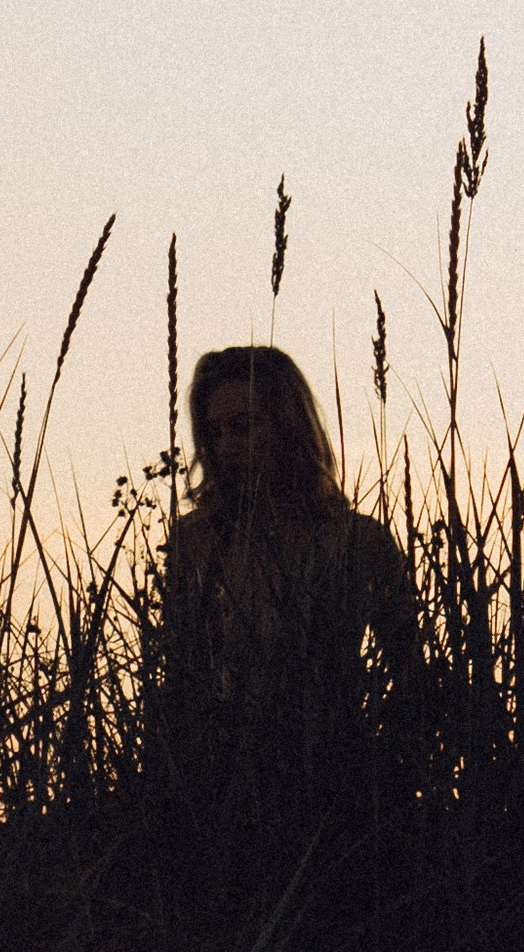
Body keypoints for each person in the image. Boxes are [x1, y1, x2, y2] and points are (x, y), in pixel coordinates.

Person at [156, 345, 418, 882]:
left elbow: (413, 675)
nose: (228, 447)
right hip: (217, 800)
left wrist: (384, 774)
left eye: (245, 427)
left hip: (333, 798)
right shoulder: (195, 543)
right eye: (216, 433)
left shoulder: (356, 542)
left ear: (287, 426)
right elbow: (179, 680)